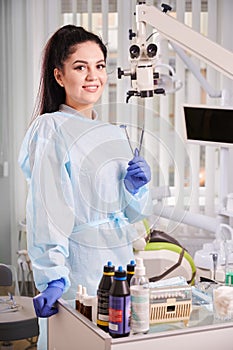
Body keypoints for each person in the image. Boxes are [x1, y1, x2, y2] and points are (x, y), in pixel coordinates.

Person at [18, 25, 152, 319]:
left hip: (120, 269)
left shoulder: (114, 134)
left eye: (100, 66)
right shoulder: (51, 128)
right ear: (59, 75)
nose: (93, 76)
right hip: (76, 272)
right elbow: (48, 208)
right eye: (81, 67)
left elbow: (131, 216)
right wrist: (53, 277)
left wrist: (134, 189)